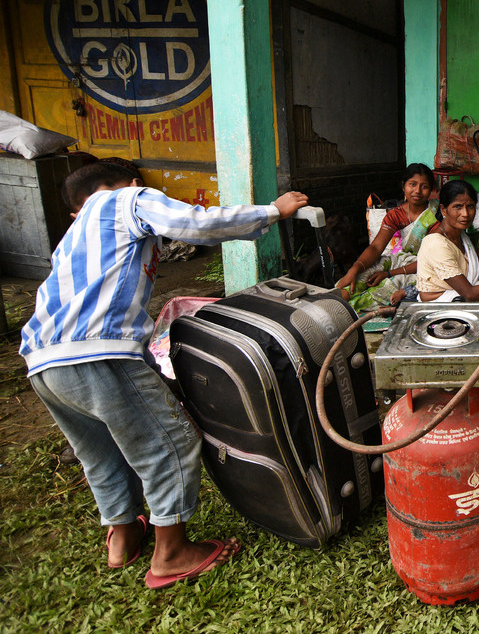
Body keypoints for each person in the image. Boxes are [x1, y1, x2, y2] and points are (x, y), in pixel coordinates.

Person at [19, 162, 309, 589]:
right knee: (169, 443)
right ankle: (171, 552)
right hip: (98, 353)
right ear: (134, 183)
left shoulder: (72, 235)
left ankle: (123, 535)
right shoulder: (126, 199)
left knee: (100, 452)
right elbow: (194, 223)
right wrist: (272, 212)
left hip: (43, 361)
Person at [334, 163, 437, 308]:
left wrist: (389, 273)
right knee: (362, 276)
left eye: (424, 186)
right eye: (412, 184)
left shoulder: (436, 214)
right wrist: (354, 269)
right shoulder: (396, 214)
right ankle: (333, 301)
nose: (417, 191)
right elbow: (376, 247)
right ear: (403, 186)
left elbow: (433, 260)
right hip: (399, 260)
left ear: (431, 189)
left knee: (388, 285)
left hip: (425, 267)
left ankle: (348, 311)